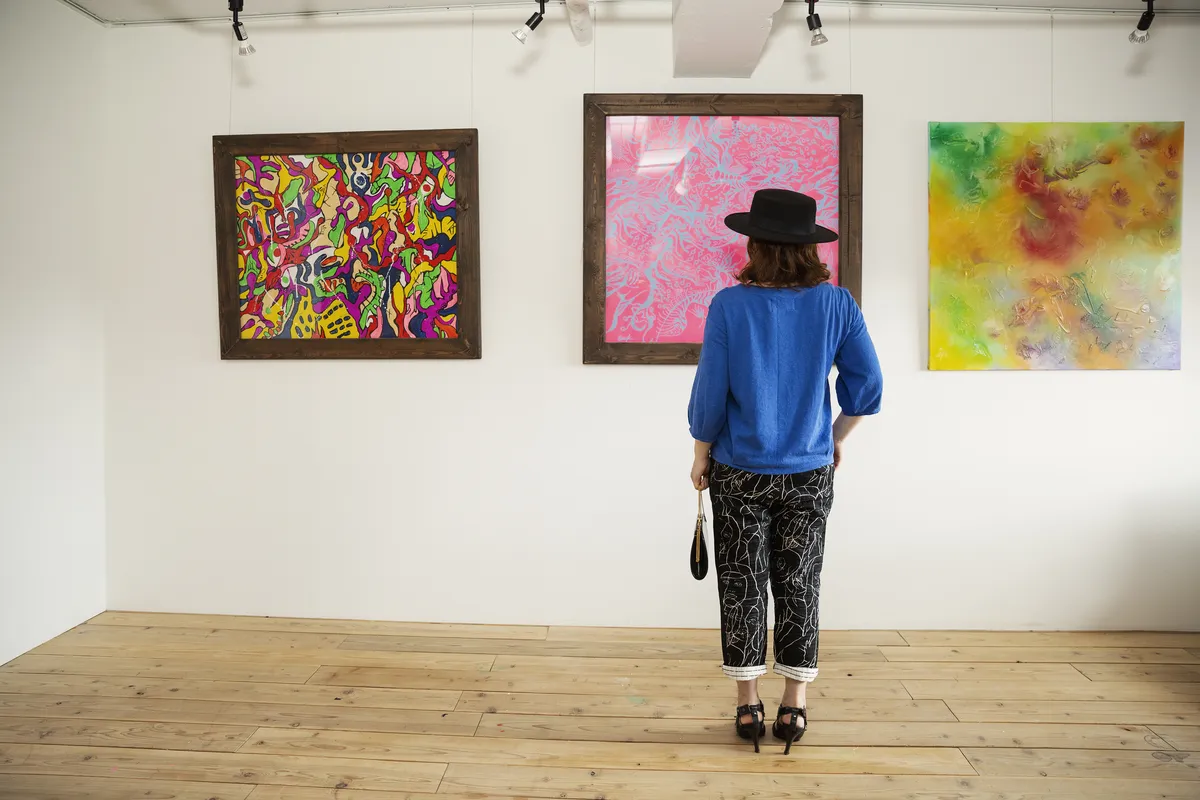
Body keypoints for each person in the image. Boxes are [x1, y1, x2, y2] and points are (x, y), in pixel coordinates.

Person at [688, 188, 883, 754]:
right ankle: (794, 706)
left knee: (742, 583)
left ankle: (746, 702)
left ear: (754, 243)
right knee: (800, 583)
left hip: (738, 468)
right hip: (809, 469)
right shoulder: (837, 304)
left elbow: (710, 393)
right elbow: (867, 387)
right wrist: (834, 437)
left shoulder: (729, 304)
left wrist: (700, 453)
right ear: (808, 247)